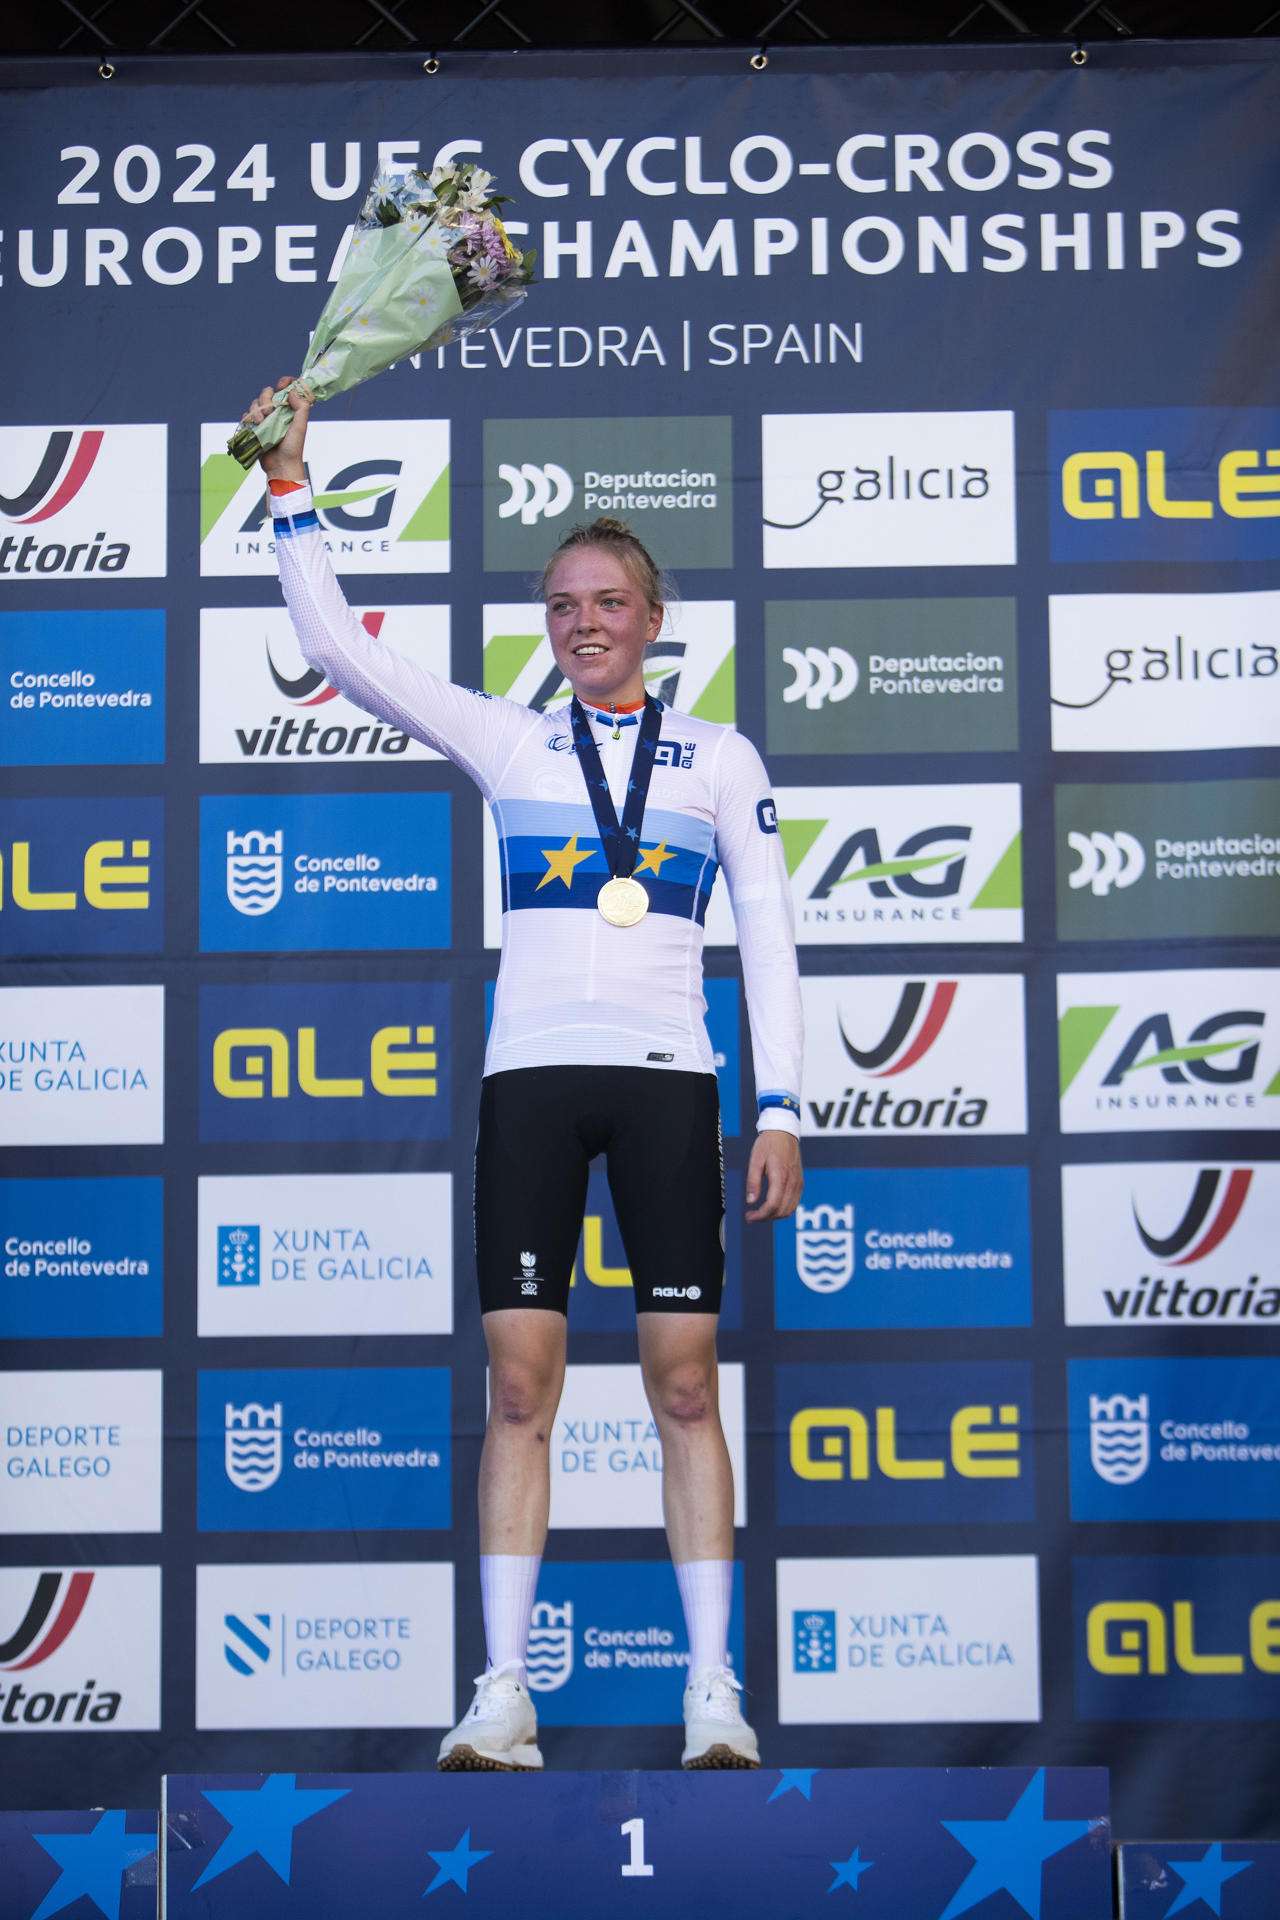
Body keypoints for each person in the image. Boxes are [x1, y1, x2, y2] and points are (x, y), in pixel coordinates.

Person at [240, 378, 804, 1771]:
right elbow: (339, 649)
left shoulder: (719, 758)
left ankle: (712, 1691)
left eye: (608, 603)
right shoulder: (512, 739)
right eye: (562, 607)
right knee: (517, 1385)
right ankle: (503, 1694)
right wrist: (292, 486)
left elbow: (771, 936)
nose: (583, 624)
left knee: (686, 1384)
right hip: (533, 1080)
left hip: (669, 1078)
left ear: (653, 620)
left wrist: (781, 1103)